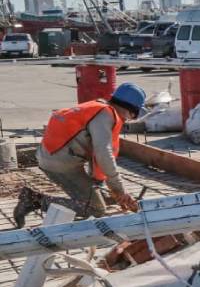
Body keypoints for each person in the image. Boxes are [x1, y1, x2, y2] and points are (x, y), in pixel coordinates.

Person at [15, 83, 147, 225]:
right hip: (61, 164)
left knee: (101, 196)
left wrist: (107, 188)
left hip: (51, 156)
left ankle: (36, 199)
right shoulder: (106, 116)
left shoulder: (98, 106)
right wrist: (119, 190)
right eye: (132, 116)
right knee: (96, 208)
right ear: (131, 111)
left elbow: (95, 155)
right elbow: (104, 154)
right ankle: (34, 200)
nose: (129, 120)